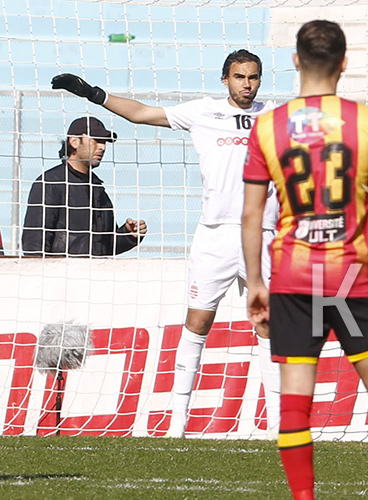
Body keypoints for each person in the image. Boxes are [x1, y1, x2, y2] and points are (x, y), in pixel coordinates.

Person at [51, 50, 282, 438]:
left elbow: (338, 121)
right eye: (240, 77)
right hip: (215, 235)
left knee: (269, 325)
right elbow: (143, 113)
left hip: (263, 235)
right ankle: (177, 423)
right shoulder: (202, 112)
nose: (247, 84)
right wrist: (94, 94)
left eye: (253, 77)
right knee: (197, 323)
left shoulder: (279, 114)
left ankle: (278, 424)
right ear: (225, 79)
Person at [242, 20, 368, 500]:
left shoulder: (268, 126)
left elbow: (253, 212)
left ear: (295, 61)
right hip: (355, 278)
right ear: (344, 62)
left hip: (292, 279)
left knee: (296, 403)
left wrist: (256, 282)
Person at [22, 116, 147, 257]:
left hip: (95, 276)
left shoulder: (98, 189)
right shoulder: (51, 183)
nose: (102, 147)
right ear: (74, 141)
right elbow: (34, 244)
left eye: (104, 142)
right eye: (96, 140)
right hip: (60, 277)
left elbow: (104, 246)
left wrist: (128, 235)